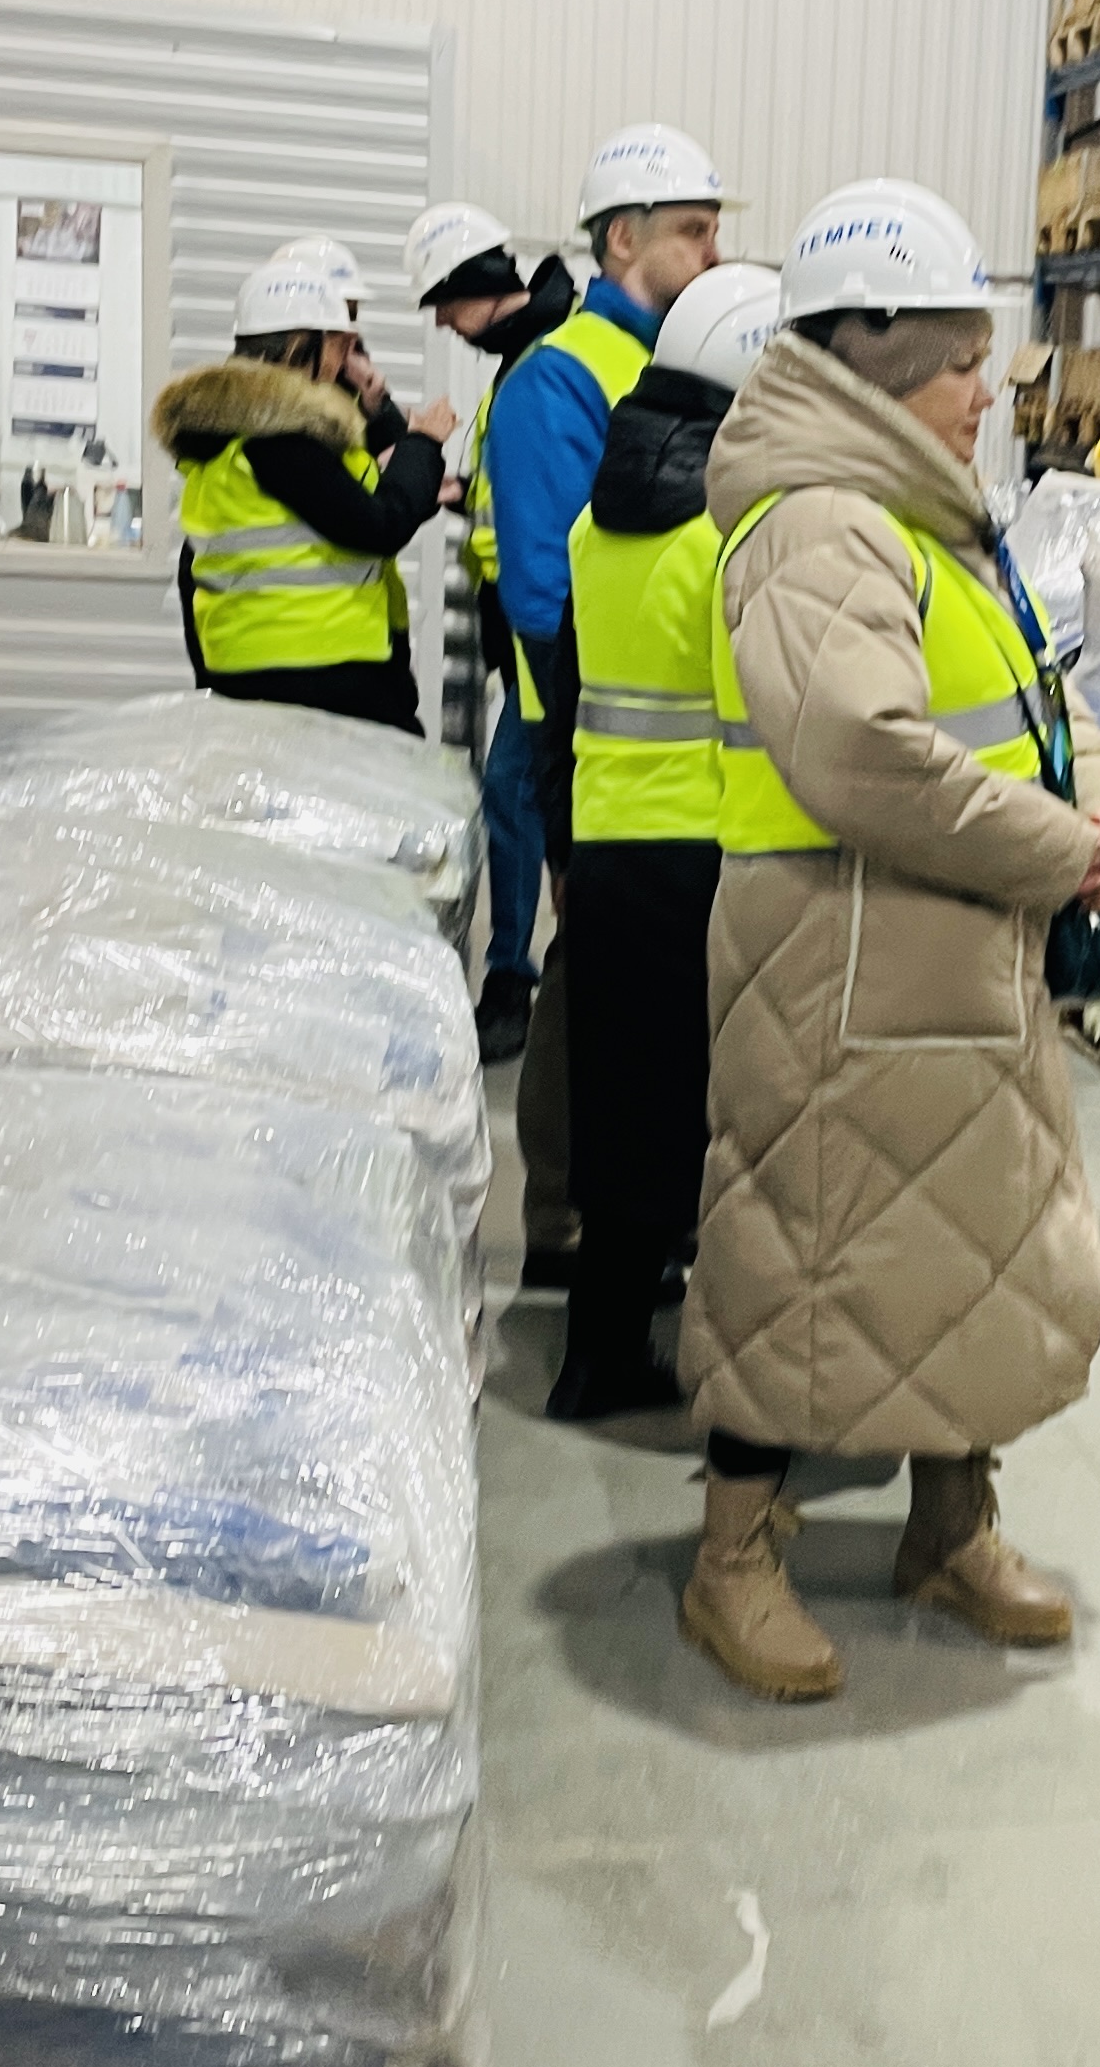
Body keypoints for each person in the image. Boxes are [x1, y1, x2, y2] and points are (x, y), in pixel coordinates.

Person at [677, 178, 1100, 1702]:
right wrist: (1060, 851)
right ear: (877, 357)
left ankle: (951, 1529)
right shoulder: (818, 524)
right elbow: (859, 751)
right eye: (963, 363)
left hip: (943, 953)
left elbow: (1036, 690)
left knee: (970, 1255)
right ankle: (732, 1559)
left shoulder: (926, 522)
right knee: (797, 1256)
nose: (985, 393)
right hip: (834, 964)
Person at [546, 260, 782, 1422]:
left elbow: (566, 685)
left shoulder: (601, 523)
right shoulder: (733, 530)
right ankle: (685, 1358)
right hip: (711, 851)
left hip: (608, 846)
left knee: (621, 1107)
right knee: (711, 1113)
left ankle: (598, 1348)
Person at [496, 121, 729, 1288]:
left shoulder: (682, 362)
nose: (712, 250)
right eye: (692, 230)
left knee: (642, 993)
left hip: (670, 745)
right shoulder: (561, 378)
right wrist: (566, 770)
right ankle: (565, 1220)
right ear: (622, 239)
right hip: (585, 735)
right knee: (588, 979)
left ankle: (641, 1215)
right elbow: (548, 594)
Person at [152, 240, 453, 732]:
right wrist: (423, 442)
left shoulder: (229, 442)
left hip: (251, 671)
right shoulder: (281, 442)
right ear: (300, 347)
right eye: (339, 345)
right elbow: (379, 525)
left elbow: (197, 570)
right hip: (321, 675)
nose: (345, 361)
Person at [408, 199, 559, 1062]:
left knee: (512, 793)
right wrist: (462, 494)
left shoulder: (542, 362)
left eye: (444, 302)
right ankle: (520, 978)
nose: (441, 322)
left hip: (545, 628)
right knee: (520, 796)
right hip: (520, 626)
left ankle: (512, 984)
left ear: (478, 284)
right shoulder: (522, 360)